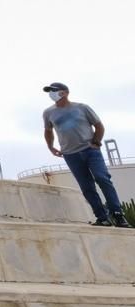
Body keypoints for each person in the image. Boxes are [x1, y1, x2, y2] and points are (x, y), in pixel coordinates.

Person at [43, 82, 130, 227]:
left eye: (54, 91)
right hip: (70, 154)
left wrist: (96, 142)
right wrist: (51, 147)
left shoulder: (81, 108)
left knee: (102, 178)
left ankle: (117, 214)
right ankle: (102, 217)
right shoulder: (48, 113)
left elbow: (99, 126)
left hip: (91, 151)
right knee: (86, 187)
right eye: (49, 91)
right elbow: (48, 131)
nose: (51, 94)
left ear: (64, 92)